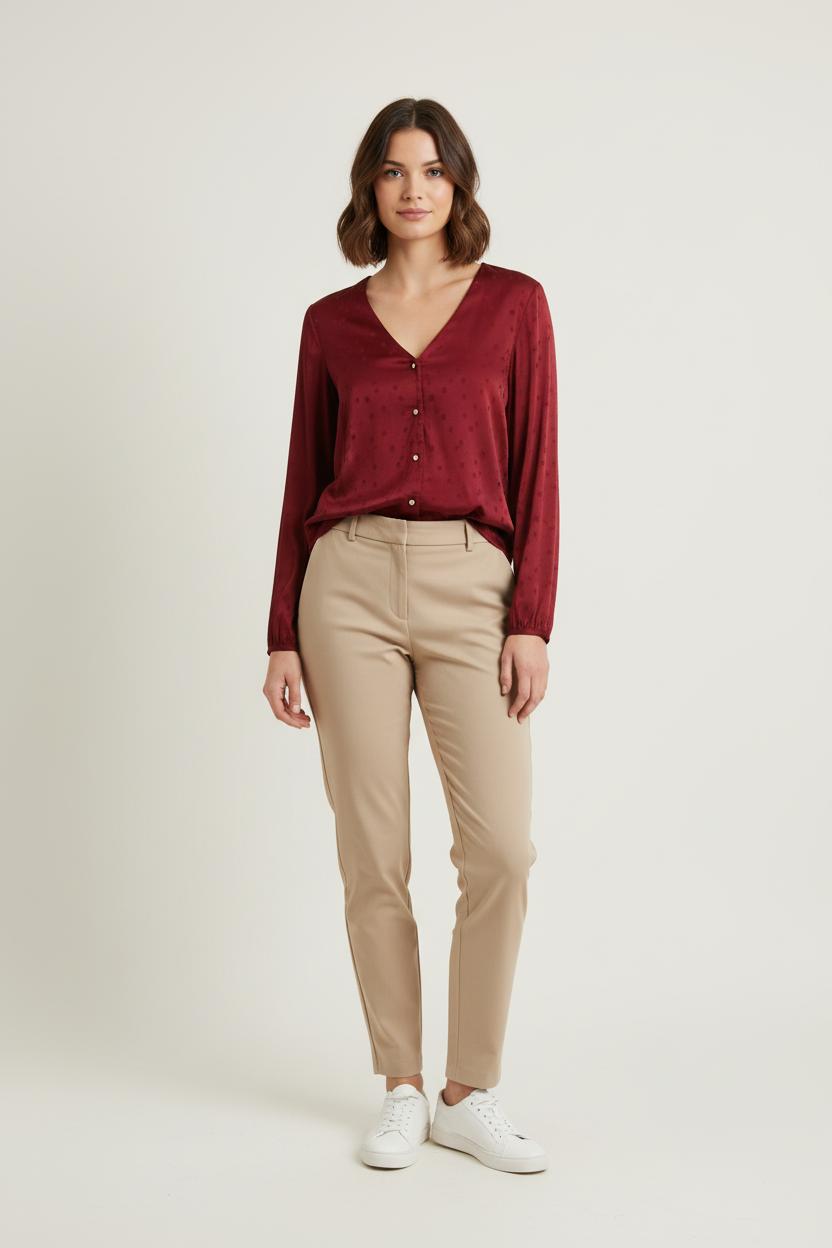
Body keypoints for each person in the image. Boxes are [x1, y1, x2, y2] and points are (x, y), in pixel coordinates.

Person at [263, 98, 559, 1173]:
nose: (414, 189)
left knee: (501, 850)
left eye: (433, 170)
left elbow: (538, 469)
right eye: (393, 171)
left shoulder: (515, 305)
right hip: (344, 584)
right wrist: (282, 633)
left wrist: (531, 621)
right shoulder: (330, 324)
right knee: (371, 847)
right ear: (370, 189)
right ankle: (399, 1083)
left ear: (458, 183)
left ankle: (468, 1091)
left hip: (472, 582)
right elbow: (303, 476)